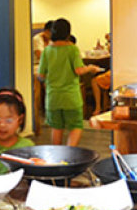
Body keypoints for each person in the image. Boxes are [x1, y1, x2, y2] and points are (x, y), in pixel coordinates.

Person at [39, 18, 102, 146]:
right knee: (76, 126)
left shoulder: (47, 51)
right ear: (68, 32)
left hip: (53, 97)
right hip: (70, 97)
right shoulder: (72, 49)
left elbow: (41, 75)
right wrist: (91, 68)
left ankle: (57, 155)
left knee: (56, 127)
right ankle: (70, 152)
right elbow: (79, 70)